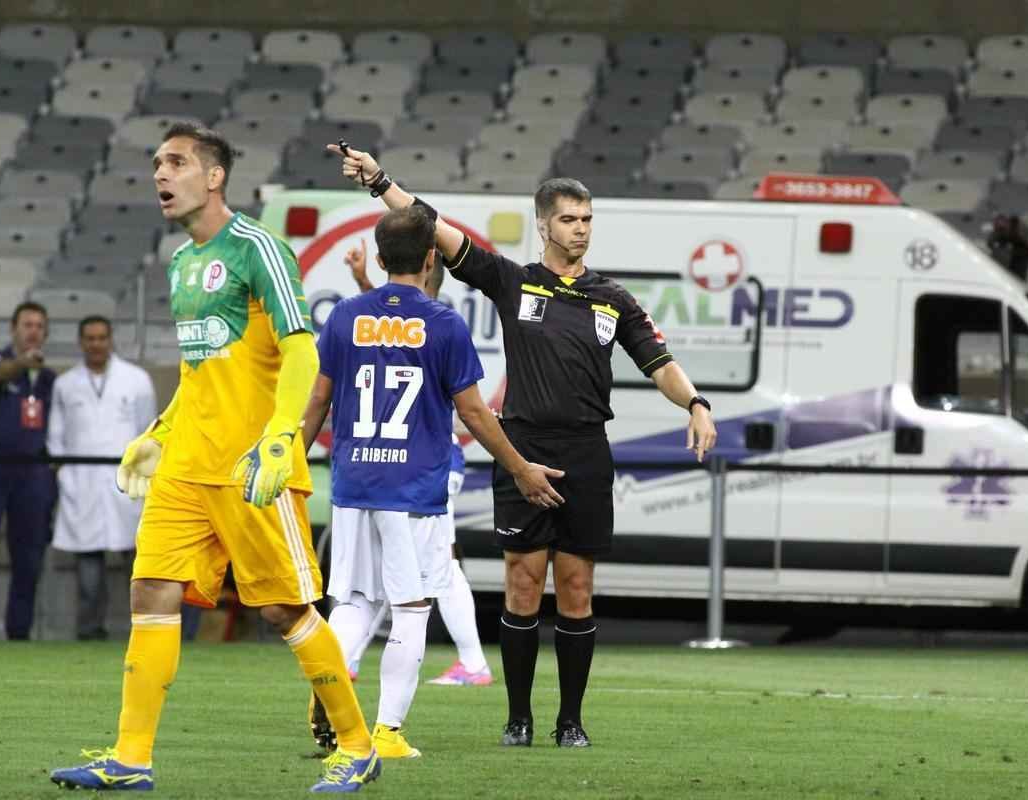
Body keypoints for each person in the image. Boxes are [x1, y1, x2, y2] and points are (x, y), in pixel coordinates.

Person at [329, 144, 718, 748]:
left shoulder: (612, 298)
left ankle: (571, 721)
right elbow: (435, 228)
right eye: (568, 219)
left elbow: (659, 362)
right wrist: (380, 181)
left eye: (587, 220)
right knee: (522, 587)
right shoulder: (514, 283)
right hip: (524, 444)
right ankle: (517, 718)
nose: (580, 229)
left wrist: (695, 403)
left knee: (577, 589)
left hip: (587, 451)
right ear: (544, 225)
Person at [50, 123, 380, 794]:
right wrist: (158, 432)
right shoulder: (179, 265)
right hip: (186, 468)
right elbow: (203, 372)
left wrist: (283, 435)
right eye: (156, 164)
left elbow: (300, 348)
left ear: (214, 175)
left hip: (250, 467)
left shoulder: (259, 247)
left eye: (174, 163)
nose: (159, 176)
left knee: (285, 610)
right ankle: (131, 758)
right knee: (150, 591)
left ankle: (357, 745)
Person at [301, 207, 562, 759]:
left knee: (351, 603)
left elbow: (319, 400)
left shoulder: (345, 316)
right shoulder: (443, 324)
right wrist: (519, 467)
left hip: (352, 486)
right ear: (430, 258)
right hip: (415, 491)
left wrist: (293, 461)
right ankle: (386, 732)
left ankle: (331, 690)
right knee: (413, 606)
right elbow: (473, 411)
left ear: (377, 258)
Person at [343, 237, 495, 688]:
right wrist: (363, 281)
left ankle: (469, 661)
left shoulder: (434, 323)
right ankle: (469, 661)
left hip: (429, 463)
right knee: (422, 565)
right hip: (423, 462)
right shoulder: (431, 322)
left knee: (428, 567)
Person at [48, 316, 157, 641]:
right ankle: (89, 633)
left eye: (101, 338)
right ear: (81, 342)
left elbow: (149, 433)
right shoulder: (65, 384)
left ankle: (147, 631)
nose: (96, 344)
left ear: (111, 340)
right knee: (89, 573)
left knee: (137, 567)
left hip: (127, 487)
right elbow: (56, 438)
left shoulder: (136, 380)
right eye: (89, 338)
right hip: (82, 487)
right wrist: (65, 475)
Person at [0, 301, 58, 641]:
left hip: (30, 472)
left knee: (28, 555)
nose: (33, 331)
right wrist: (22, 363)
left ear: (46, 333)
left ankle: (18, 634)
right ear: (13, 329)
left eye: (39, 326)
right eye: (27, 325)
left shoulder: (48, 379)